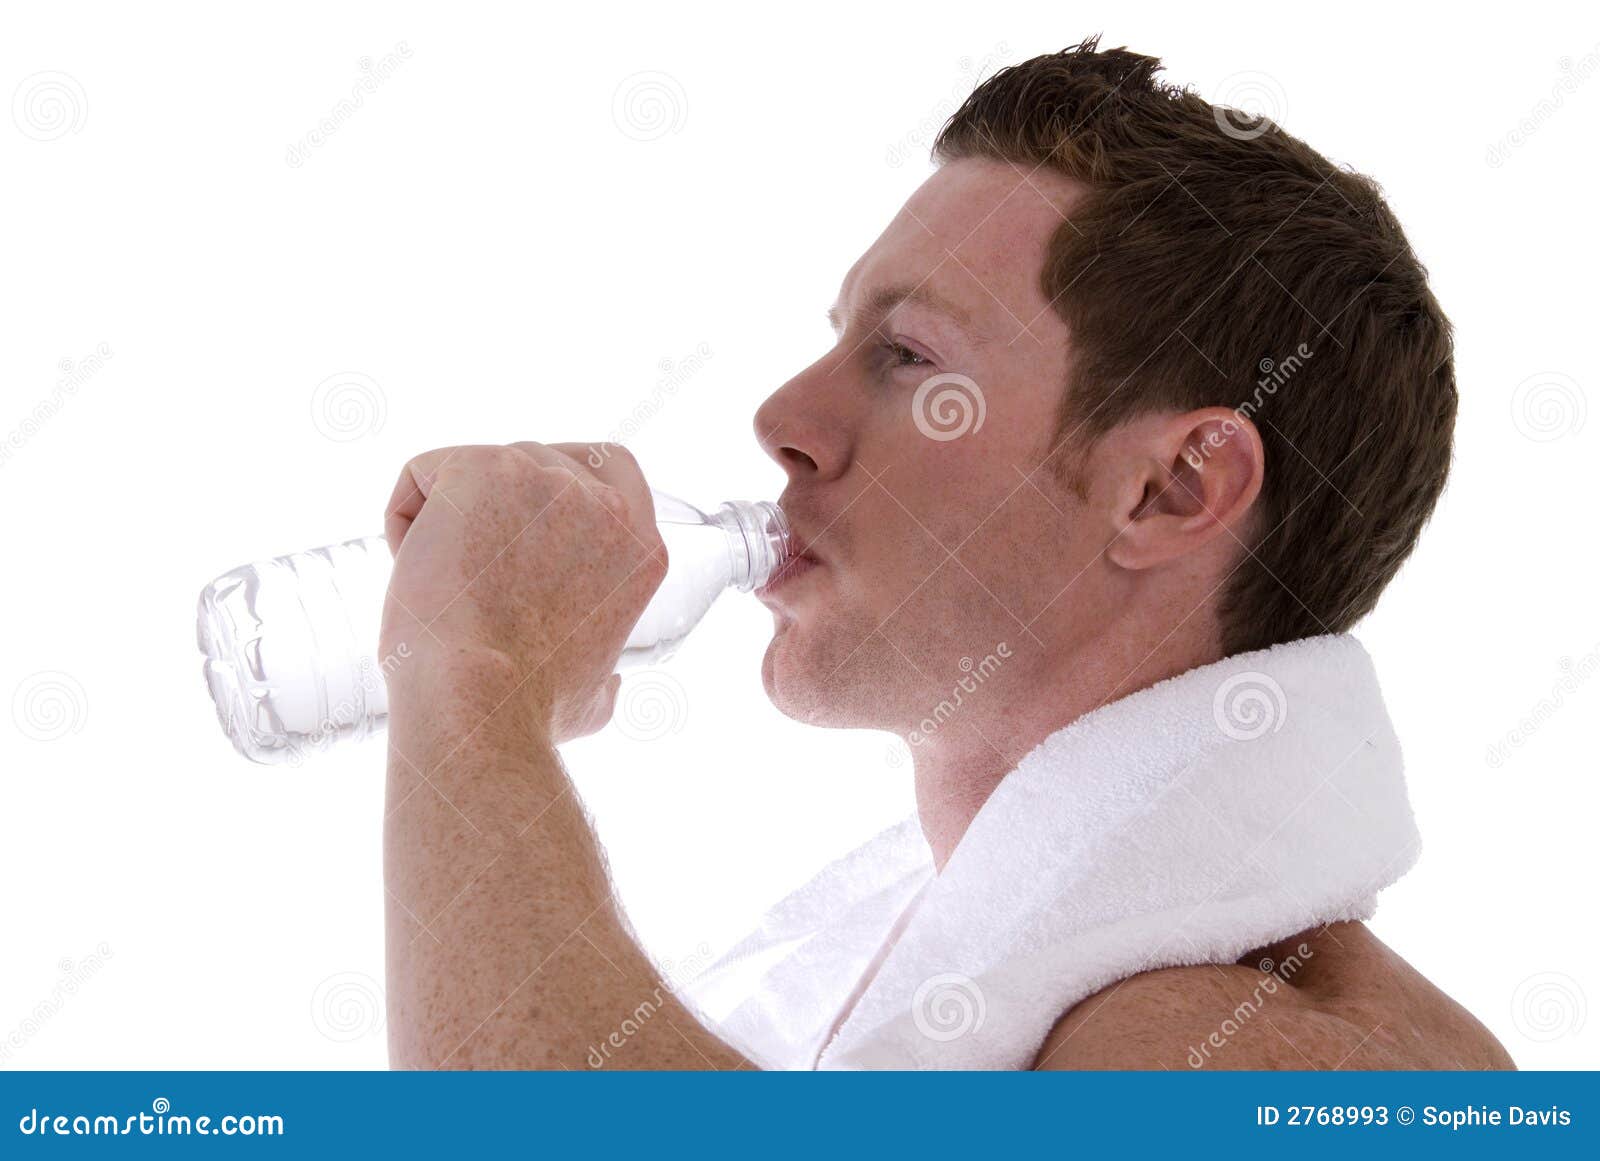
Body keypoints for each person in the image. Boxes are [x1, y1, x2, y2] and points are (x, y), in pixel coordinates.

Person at [376, 38, 1513, 1070]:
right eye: (840, 339)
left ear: (1170, 490)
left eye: (911, 357)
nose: (782, 416)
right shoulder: (976, 989)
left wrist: (475, 680)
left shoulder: (1258, 1055)